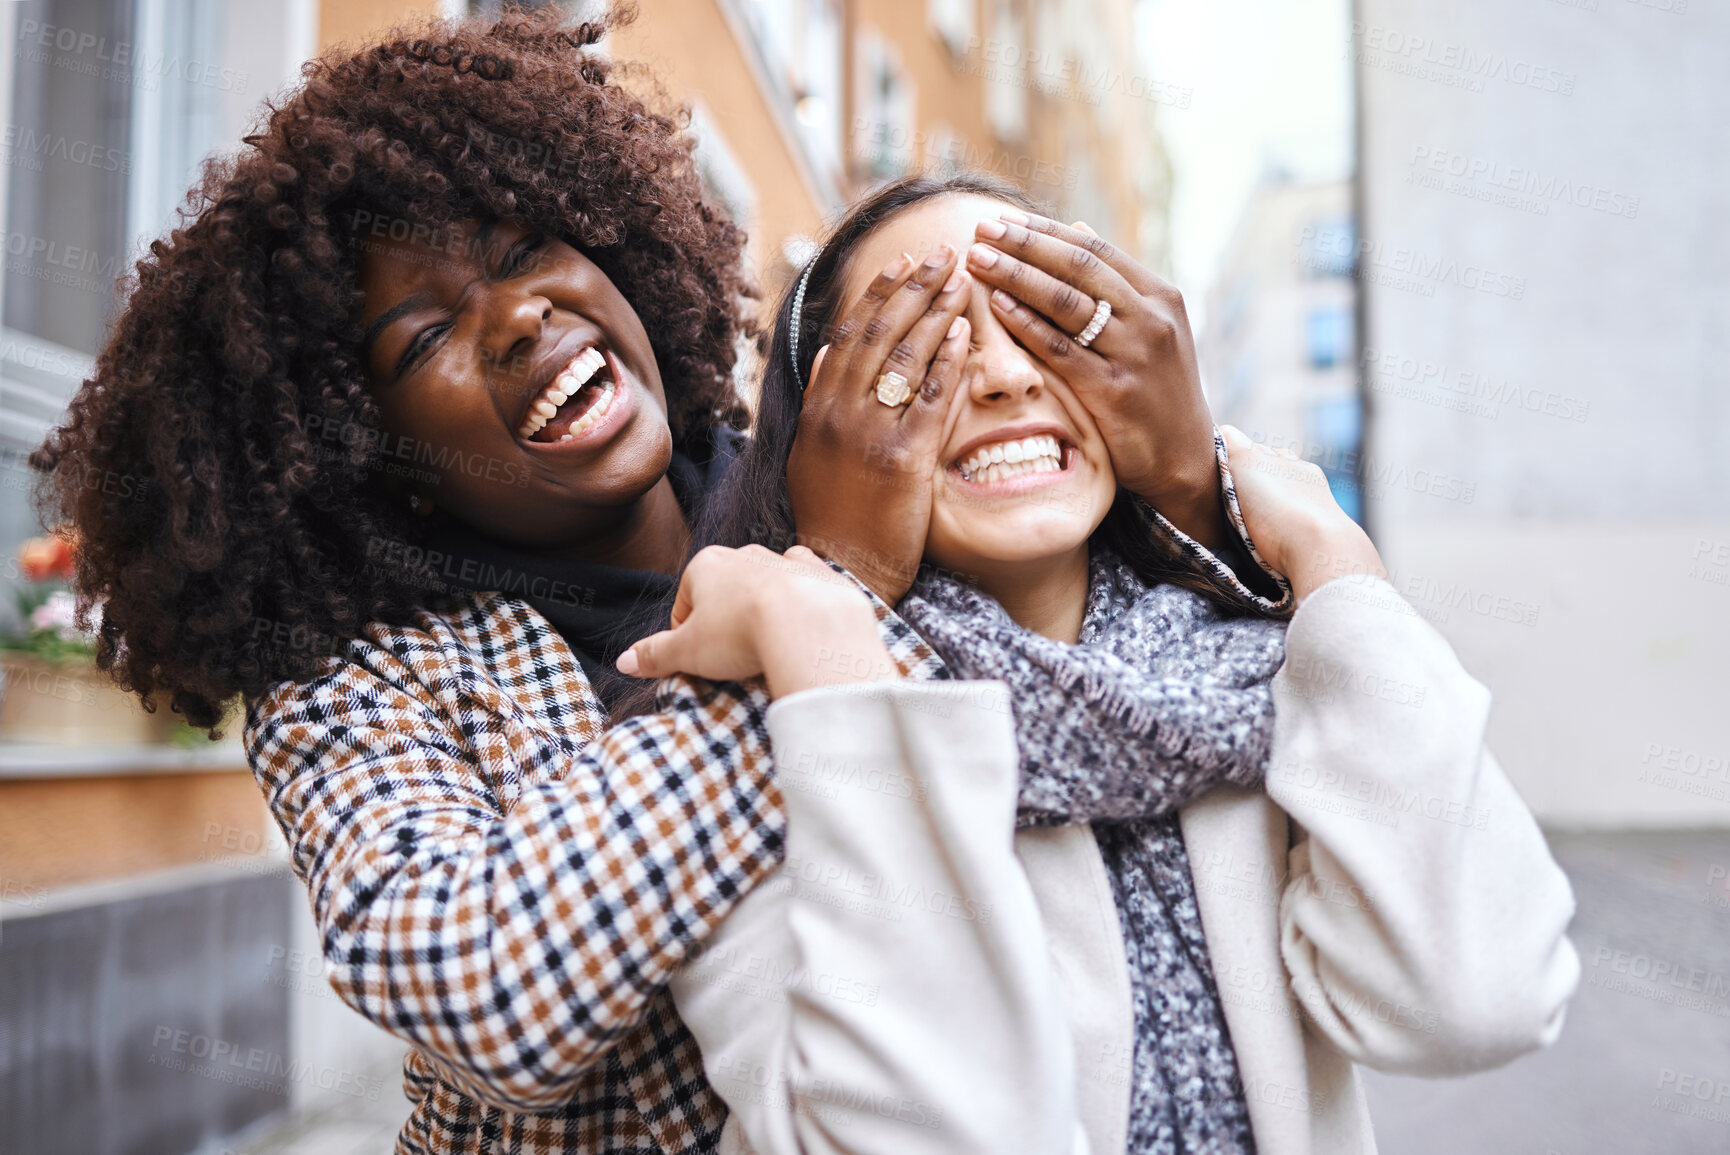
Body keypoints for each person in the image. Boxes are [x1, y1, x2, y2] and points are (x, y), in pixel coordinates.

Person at [28, 14, 1250, 1153]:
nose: (516, 316)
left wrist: (1197, 499)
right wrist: (831, 591)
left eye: (525, 247)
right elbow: (482, 990)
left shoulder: (840, 467)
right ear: (357, 442)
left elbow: (1127, 684)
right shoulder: (361, 686)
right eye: (423, 336)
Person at [626, 174, 1582, 1155]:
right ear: (822, 427)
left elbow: (1476, 1000)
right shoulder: (754, 735)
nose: (1002, 377)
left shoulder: (1248, 685)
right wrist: (839, 621)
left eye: (1045, 325)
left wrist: (1330, 559)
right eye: (927, 345)